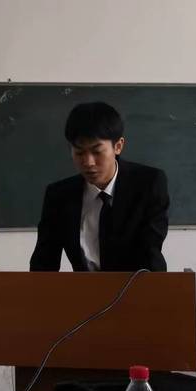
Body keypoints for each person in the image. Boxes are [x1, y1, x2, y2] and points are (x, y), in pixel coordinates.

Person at [29, 101, 169, 272]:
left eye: (97, 152)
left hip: (138, 285)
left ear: (118, 146)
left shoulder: (148, 184)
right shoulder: (59, 196)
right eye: (79, 152)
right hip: (84, 288)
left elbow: (150, 253)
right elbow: (43, 263)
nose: (88, 162)